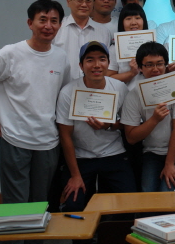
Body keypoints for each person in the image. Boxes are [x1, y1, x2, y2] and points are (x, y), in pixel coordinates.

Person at [0, 0, 70, 244]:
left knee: (39, 206)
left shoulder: (61, 57)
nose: (48, 26)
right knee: (15, 207)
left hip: (48, 142)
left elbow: (64, 95)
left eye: (54, 21)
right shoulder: (10, 53)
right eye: (42, 20)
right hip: (16, 139)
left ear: (60, 25)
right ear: (30, 23)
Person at [56, 41, 134, 212]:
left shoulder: (119, 88)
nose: (97, 65)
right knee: (74, 205)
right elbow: (65, 135)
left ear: (108, 63)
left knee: (128, 204)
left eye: (102, 59)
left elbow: (128, 123)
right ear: (81, 66)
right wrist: (75, 176)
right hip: (81, 156)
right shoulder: (68, 92)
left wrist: (109, 125)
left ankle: (109, 230)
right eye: (90, 60)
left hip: (113, 153)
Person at [122, 42, 175, 191]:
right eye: (149, 65)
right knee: (148, 194)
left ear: (166, 65)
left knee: (167, 192)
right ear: (140, 68)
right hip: (152, 151)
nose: (155, 69)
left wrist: (169, 164)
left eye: (159, 64)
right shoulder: (134, 95)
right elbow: (131, 137)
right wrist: (154, 119)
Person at [54, 0, 113, 79]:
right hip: (61, 85)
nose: (84, 5)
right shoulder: (57, 28)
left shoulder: (103, 31)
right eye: (79, 0)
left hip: (93, 86)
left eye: (88, 0)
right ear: (68, 2)